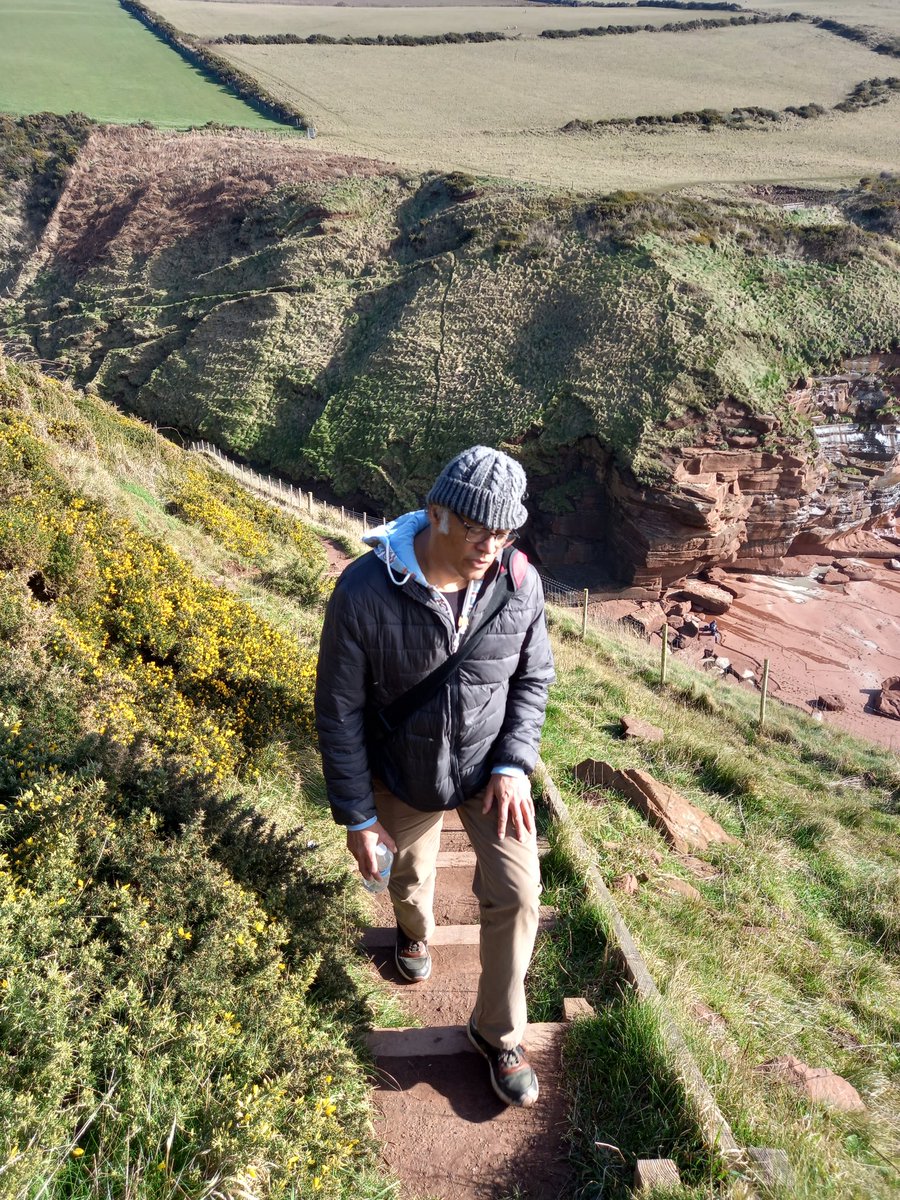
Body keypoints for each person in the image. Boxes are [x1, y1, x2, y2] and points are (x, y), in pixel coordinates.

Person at [315, 446, 555, 1108]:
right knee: (410, 881)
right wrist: (358, 817)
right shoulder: (364, 591)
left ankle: (498, 1034)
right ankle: (413, 934)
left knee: (518, 890)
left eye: (503, 531)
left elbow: (534, 678)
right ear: (435, 514)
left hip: (488, 773)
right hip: (404, 773)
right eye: (476, 528)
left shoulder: (518, 582)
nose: (490, 545)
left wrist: (513, 764)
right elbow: (338, 713)